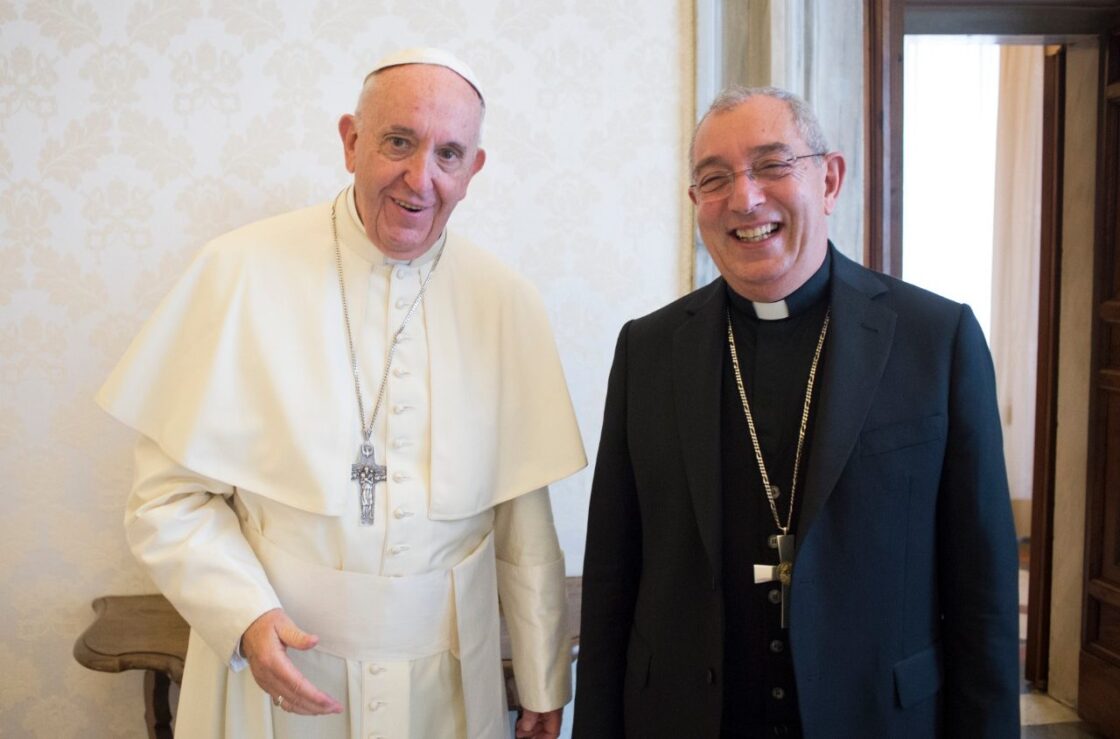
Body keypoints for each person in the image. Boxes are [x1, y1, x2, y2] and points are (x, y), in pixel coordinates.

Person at [98, 47, 585, 739]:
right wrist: (245, 616)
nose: (420, 179)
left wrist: (541, 677)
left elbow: (523, 523)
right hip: (277, 677)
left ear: (473, 171)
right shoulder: (239, 271)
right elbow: (166, 498)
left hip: (445, 685)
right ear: (351, 141)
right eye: (398, 142)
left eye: (449, 154)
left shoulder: (506, 301)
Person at [573, 86, 1019, 738]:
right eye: (714, 178)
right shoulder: (648, 349)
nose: (745, 198)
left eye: (772, 165)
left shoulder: (936, 339)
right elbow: (611, 578)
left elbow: (983, 594)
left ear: (829, 178)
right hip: (685, 716)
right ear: (696, 202)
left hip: (878, 718)